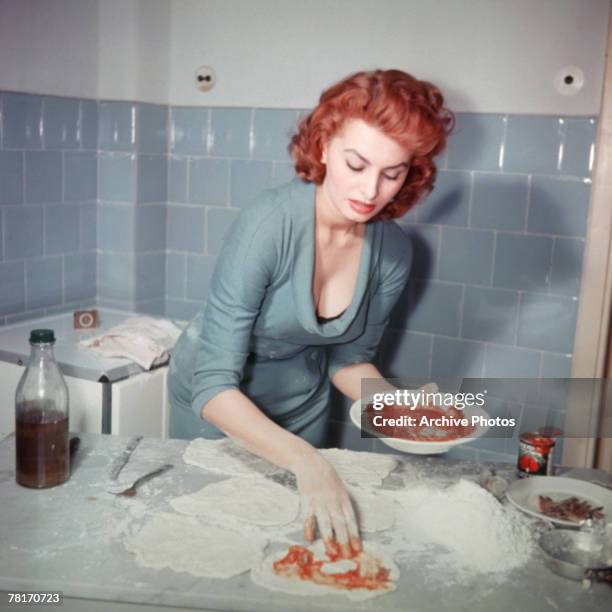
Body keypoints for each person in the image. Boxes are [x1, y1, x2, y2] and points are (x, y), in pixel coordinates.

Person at [168, 69, 453, 559]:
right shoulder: (268, 224)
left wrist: (393, 406)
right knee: (214, 548)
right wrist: (309, 465)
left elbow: (348, 360)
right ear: (322, 146)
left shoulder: (393, 253)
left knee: (291, 555)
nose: (371, 190)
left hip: (303, 409)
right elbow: (213, 385)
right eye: (356, 163)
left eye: (393, 173)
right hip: (218, 409)